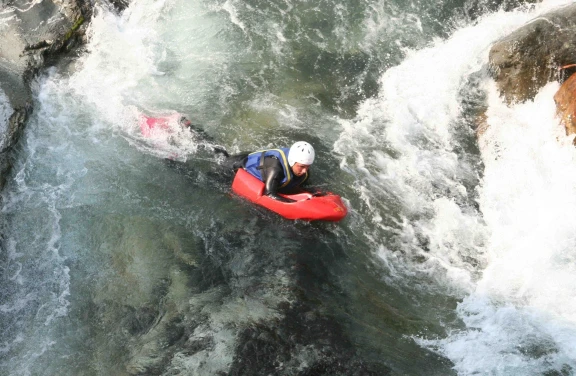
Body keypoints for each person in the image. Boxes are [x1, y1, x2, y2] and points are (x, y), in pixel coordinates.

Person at [226, 141, 315, 203]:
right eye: (302, 167)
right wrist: (295, 203)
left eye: (308, 166)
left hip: (261, 161)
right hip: (235, 164)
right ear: (292, 161)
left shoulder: (303, 166)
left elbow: (306, 188)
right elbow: (269, 194)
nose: (305, 171)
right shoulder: (275, 168)